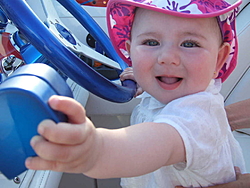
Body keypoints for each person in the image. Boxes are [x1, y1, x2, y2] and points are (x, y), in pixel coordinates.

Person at [25, 0, 248, 187]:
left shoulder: (197, 117)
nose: (166, 57)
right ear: (130, 50)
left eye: (189, 44)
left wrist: (97, 149)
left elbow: (153, 144)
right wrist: (142, 78)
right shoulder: (172, 90)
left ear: (219, 59)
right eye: (151, 42)